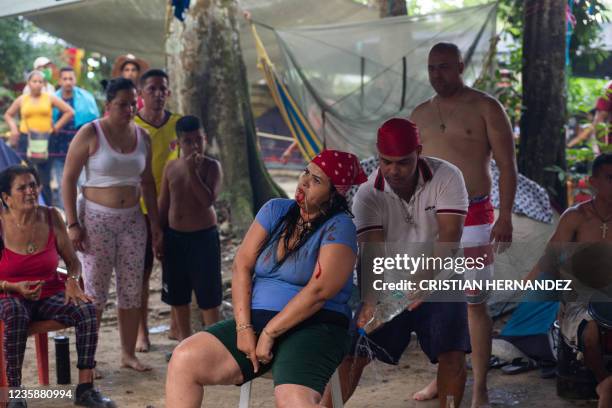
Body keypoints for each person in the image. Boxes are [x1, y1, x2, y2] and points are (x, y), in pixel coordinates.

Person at [165, 149, 367, 407]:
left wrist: (270, 333)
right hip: (258, 317)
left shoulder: (340, 227)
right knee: (183, 359)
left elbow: (320, 291)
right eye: (306, 172)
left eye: (317, 181)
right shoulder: (275, 210)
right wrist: (244, 327)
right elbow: (242, 266)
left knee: (292, 398)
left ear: (334, 194)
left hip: (316, 325)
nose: (304, 182)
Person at [322, 118, 470, 408]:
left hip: (441, 279)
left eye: (403, 162)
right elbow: (372, 253)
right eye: (386, 161)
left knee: (452, 354)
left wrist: (419, 285)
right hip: (390, 285)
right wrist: (370, 301)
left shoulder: (448, 177)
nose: (393, 170)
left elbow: (449, 238)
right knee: (355, 352)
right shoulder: (367, 193)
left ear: (419, 151)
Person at [410, 42, 517, 407]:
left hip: (476, 216)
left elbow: (506, 165)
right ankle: (442, 378)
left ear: (460, 65)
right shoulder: (419, 114)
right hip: (431, 220)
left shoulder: (486, 107)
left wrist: (504, 216)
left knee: (474, 301)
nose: (437, 74)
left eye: (443, 67)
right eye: (431, 68)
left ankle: (481, 386)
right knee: (435, 301)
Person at [62, 77, 162, 372]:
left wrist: (155, 224)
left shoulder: (143, 137)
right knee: (94, 290)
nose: (130, 109)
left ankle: (128, 354)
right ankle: (87, 359)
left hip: (132, 219)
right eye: (122, 104)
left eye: (134, 104)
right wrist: (72, 223)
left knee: (132, 288)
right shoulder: (90, 132)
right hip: (95, 219)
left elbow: (148, 183)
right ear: (108, 105)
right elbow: (68, 178)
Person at [0, 165, 114, 408]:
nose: (30, 191)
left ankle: (85, 389)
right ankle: (14, 394)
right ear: (6, 198)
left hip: (48, 293)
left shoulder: (51, 216)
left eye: (33, 185)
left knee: (86, 309)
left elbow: (73, 262)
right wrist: (15, 287)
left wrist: (72, 280)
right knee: (16, 313)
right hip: (9, 293)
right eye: (22, 188)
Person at [525, 153, 612, 408]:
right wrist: (524, 287)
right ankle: (603, 381)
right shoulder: (575, 217)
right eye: (610, 178)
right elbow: (550, 258)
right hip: (582, 298)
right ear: (592, 181)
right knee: (590, 330)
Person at [158, 115, 222, 342]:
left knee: (209, 296)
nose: (194, 146)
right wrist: (159, 235)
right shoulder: (171, 167)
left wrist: (192, 172)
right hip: (175, 239)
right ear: (178, 144)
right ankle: (185, 343)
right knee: (178, 296)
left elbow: (207, 201)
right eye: (188, 141)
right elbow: (163, 205)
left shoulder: (212, 167)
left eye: (198, 140)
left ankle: (213, 345)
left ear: (204, 139)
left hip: (204, 238)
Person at [133, 69, 181, 352]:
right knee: (142, 273)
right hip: (140, 210)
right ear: (141, 94)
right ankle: (142, 332)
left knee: (174, 270)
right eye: (151, 89)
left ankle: (177, 326)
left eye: (162, 89)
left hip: (174, 209)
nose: (158, 94)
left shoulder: (178, 124)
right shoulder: (135, 127)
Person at [3, 70, 74, 206]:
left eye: (40, 82)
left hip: (46, 140)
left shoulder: (49, 97)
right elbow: (8, 114)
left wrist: (56, 127)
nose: (37, 84)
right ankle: (24, 205)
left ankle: (47, 210)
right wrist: (13, 128)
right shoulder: (22, 99)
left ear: (44, 84)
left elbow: (69, 111)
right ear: (29, 83)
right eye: (34, 81)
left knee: (44, 177)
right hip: (26, 140)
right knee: (23, 174)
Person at [51, 67, 100, 208]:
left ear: (75, 80)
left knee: (84, 184)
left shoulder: (86, 98)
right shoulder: (52, 98)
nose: (67, 82)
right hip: (59, 150)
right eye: (64, 79)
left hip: (82, 151)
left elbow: (94, 123)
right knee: (63, 185)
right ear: (60, 81)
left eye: (70, 78)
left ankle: (86, 215)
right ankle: (66, 220)